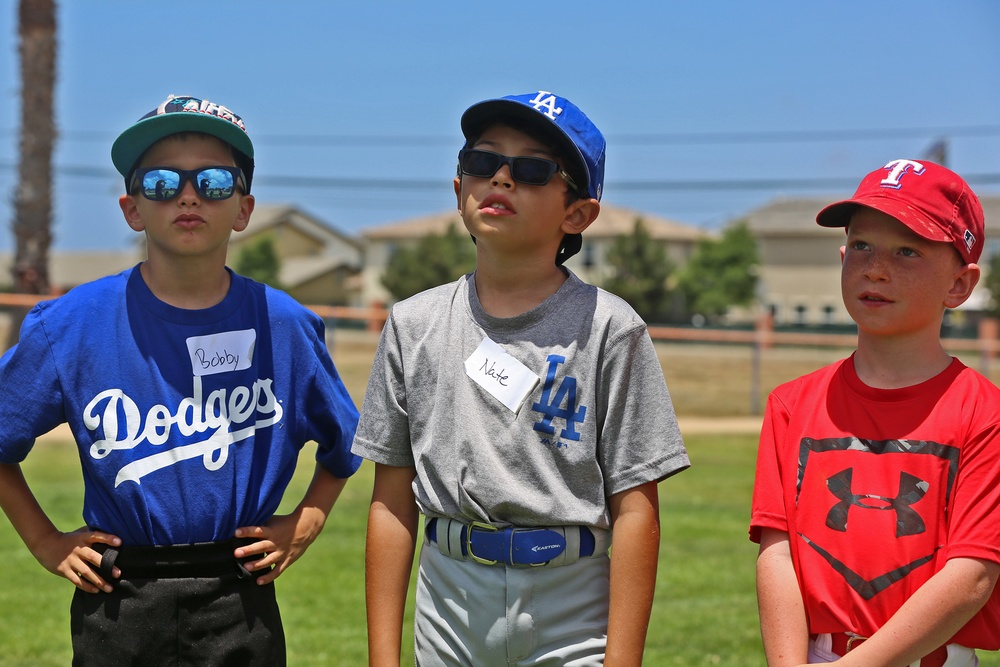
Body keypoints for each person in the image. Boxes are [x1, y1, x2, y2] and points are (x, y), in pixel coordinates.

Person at [0, 94, 362, 665]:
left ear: (243, 208)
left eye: (214, 181)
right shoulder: (72, 324)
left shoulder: (284, 325)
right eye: (162, 182)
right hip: (119, 596)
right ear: (132, 209)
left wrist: (306, 521)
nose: (188, 195)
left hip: (238, 593)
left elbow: (346, 446)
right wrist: (44, 541)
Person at [352, 89, 690, 666]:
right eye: (483, 161)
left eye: (532, 169)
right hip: (449, 601)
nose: (501, 178)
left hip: (571, 603)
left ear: (577, 214)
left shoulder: (611, 328)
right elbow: (390, 503)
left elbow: (637, 511)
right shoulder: (413, 323)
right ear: (458, 188)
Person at [749, 159, 1000, 666]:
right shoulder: (790, 405)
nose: (875, 268)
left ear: (959, 284)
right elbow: (777, 555)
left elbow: (972, 574)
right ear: (842, 257)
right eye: (862, 245)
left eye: (908, 250)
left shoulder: (986, 414)